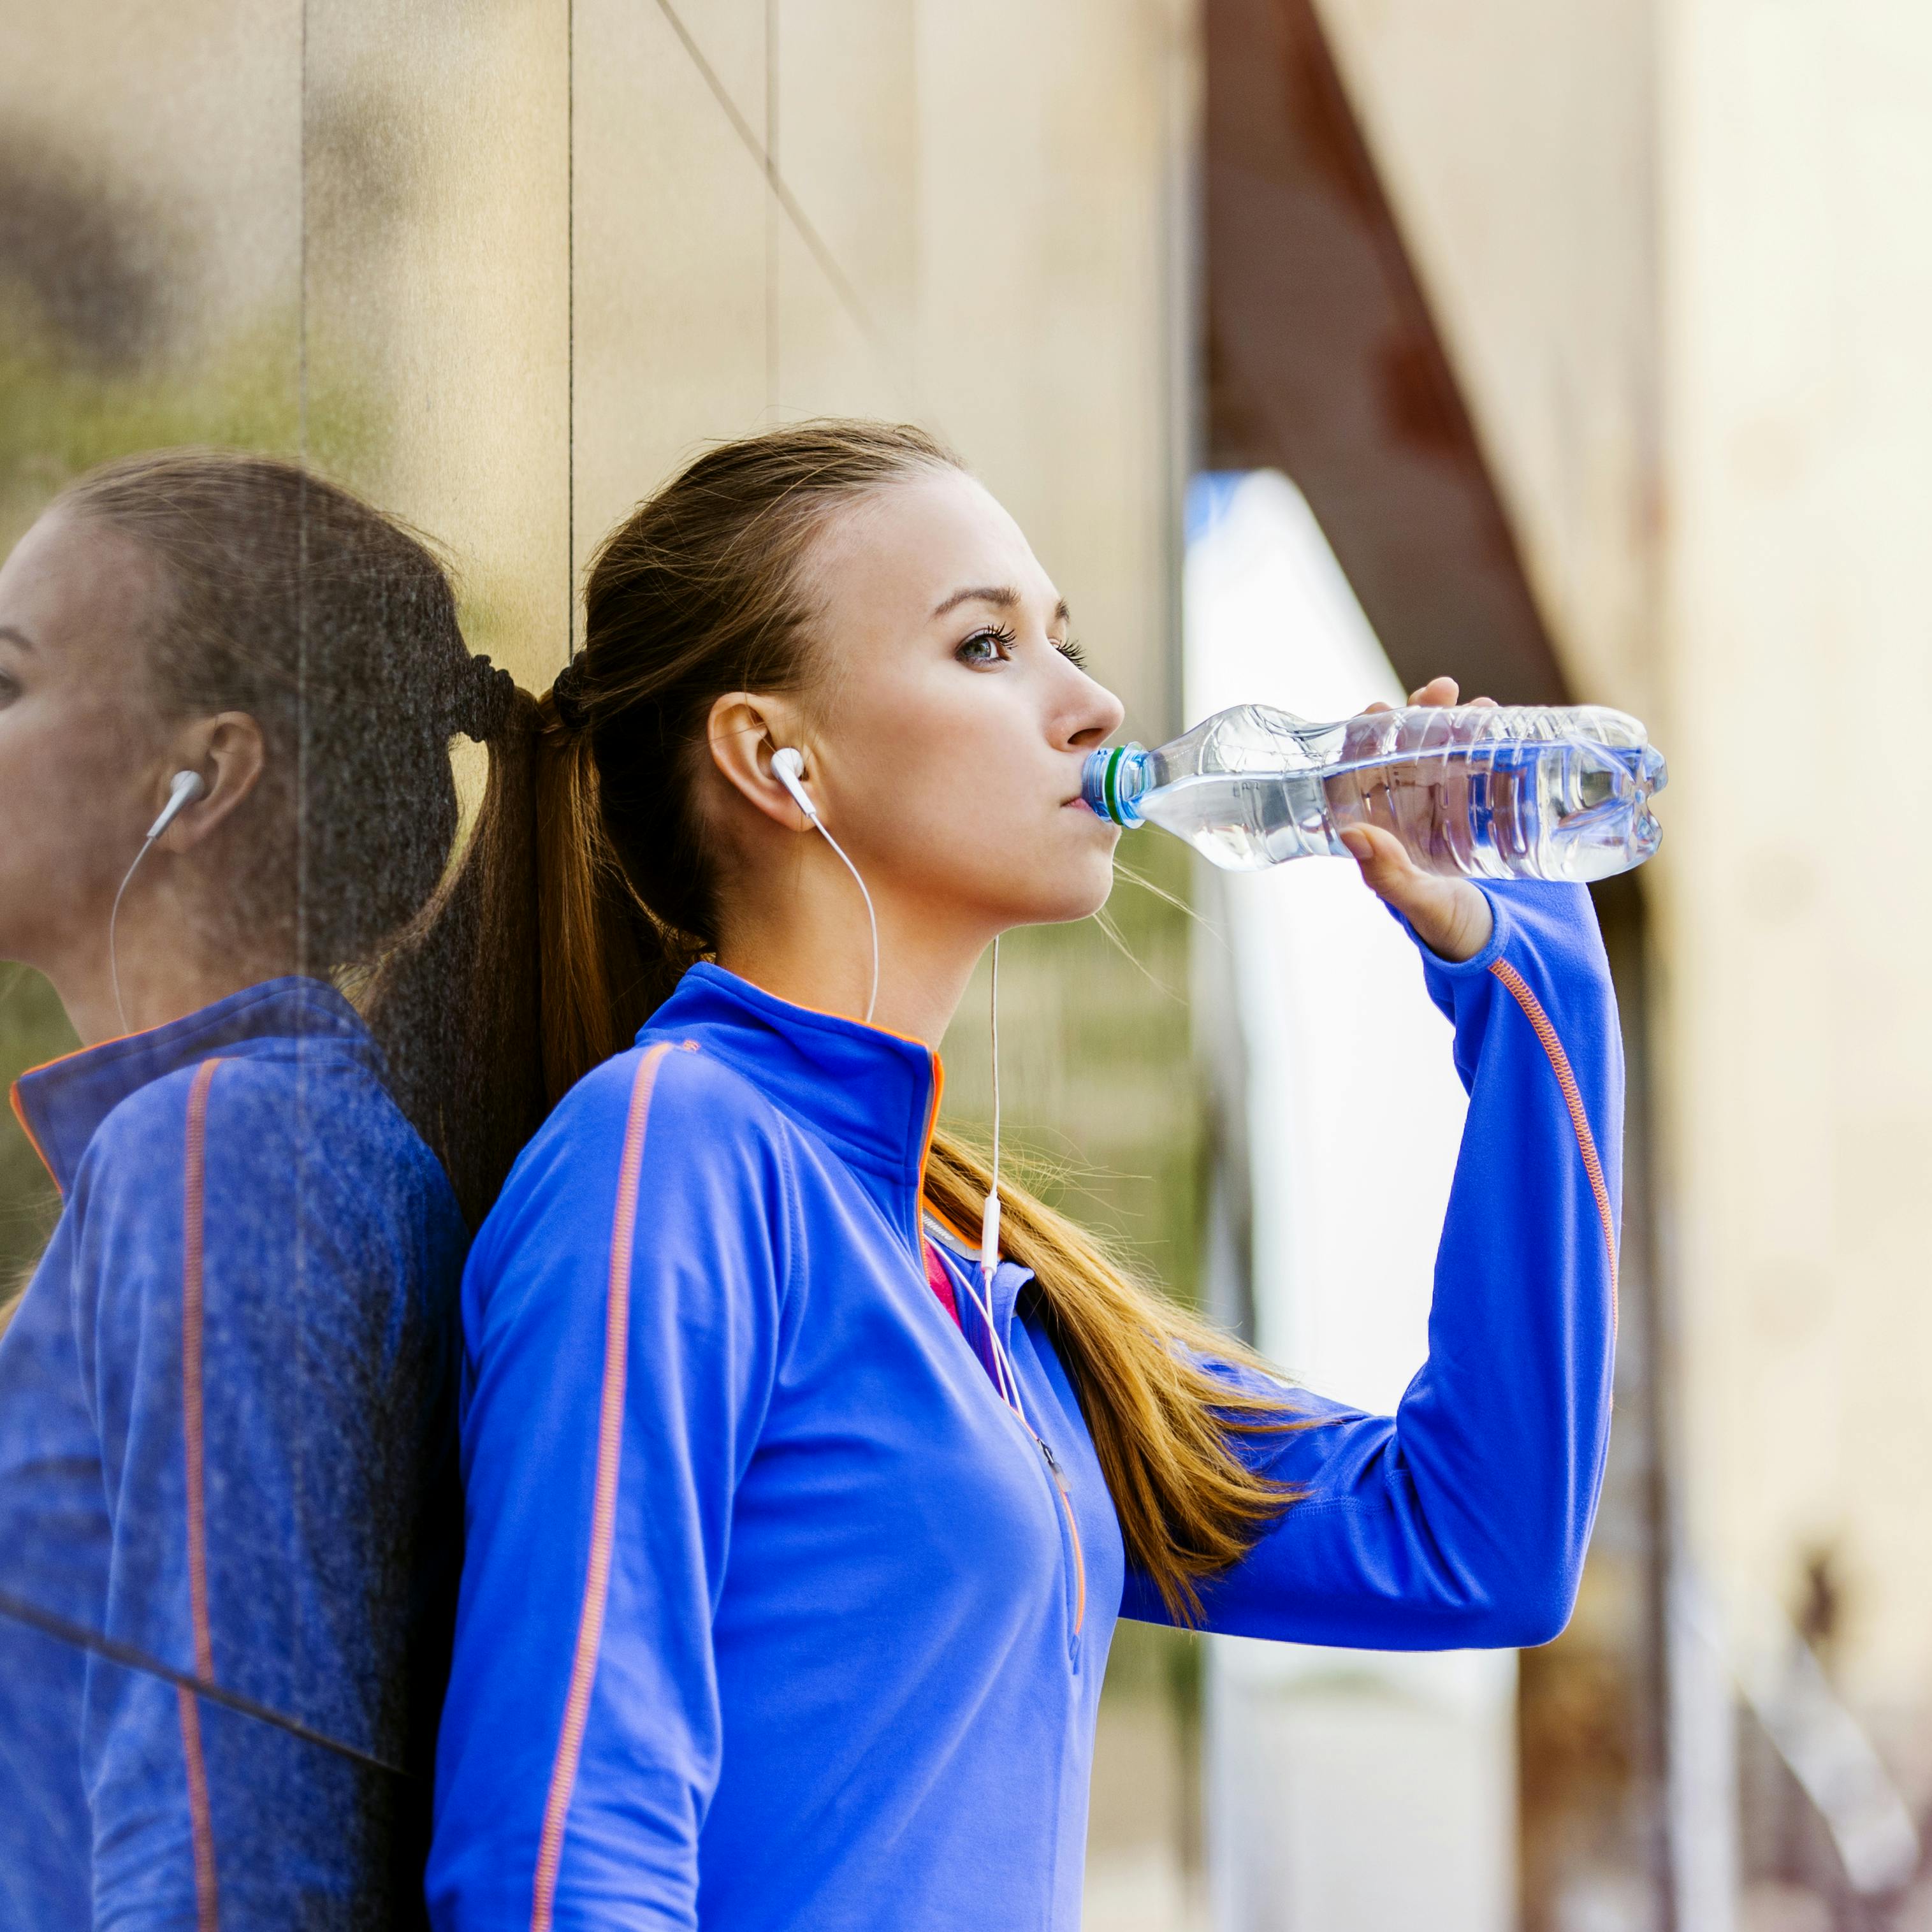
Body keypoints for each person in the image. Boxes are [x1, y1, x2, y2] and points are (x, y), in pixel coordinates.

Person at [426, 421, 1623, 1932]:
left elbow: (1477, 1550)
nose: (1095, 704)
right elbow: (559, 1862)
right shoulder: (680, 1153)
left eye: (1061, 634)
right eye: (988, 646)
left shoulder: (979, 1280)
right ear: (772, 758)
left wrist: (1527, 981)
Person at [0, 450, 539, 1928]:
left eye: (6, 685)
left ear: (206, 778)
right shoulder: (249, 1146)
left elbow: (230, 1808)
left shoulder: (225, 1152)